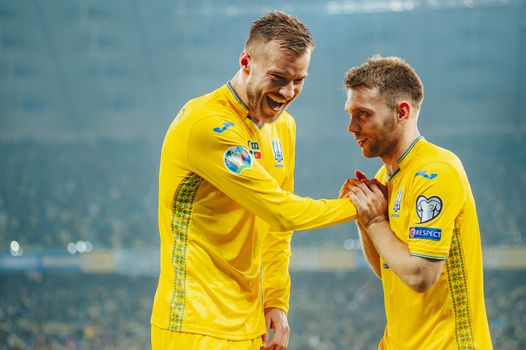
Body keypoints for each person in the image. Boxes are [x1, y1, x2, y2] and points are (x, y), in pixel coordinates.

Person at [150, 11, 357, 350]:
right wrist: (357, 206)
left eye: (299, 80)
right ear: (246, 61)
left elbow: (277, 230)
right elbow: (281, 211)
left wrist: (275, 299)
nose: (288, 91)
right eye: (278, 77)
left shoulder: (283, 127)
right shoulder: (206, 123)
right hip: (194, 324)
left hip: (249, 325)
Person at [341, 55, 493, 349]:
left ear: (402, 112)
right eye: (349, 114)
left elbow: (420, 275)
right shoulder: (384, 178)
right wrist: (365, 221)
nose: (351, 126)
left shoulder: (436, 171)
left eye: (363, 114)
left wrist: (375, 220)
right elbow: (389, 267)